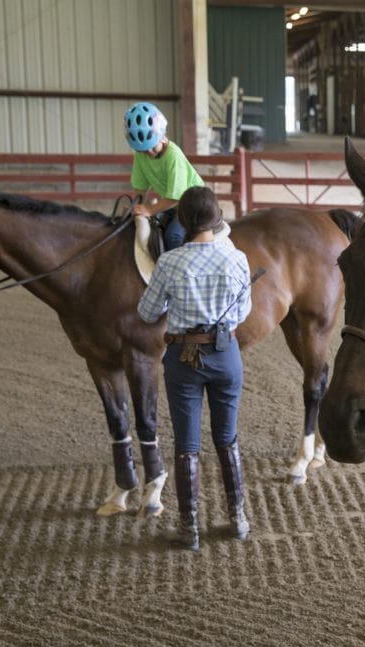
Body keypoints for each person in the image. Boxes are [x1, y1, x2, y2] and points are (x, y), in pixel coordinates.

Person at [137, 186, 253, 551]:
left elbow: (147, 312)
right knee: (227, 439)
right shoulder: (236, 258)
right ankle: (238, 519)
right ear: (217, 218)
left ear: (183, 220)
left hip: (184, 360)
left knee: (187, 445)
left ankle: (190, 530)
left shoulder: (171, 262)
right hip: (226, 355)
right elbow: (243, 312)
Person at [124, 101, 204, 251]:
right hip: (172, 204)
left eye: (152, 147)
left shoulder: (173, 155)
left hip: (192, 203)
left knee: (173, 235)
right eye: (143, 150)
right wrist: (135, 207)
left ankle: (178, 270)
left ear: (162, 136)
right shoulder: (140, 156)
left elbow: (175, 197)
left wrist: (149, 210)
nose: (149, 153)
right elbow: (140, 188)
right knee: (146, 225)